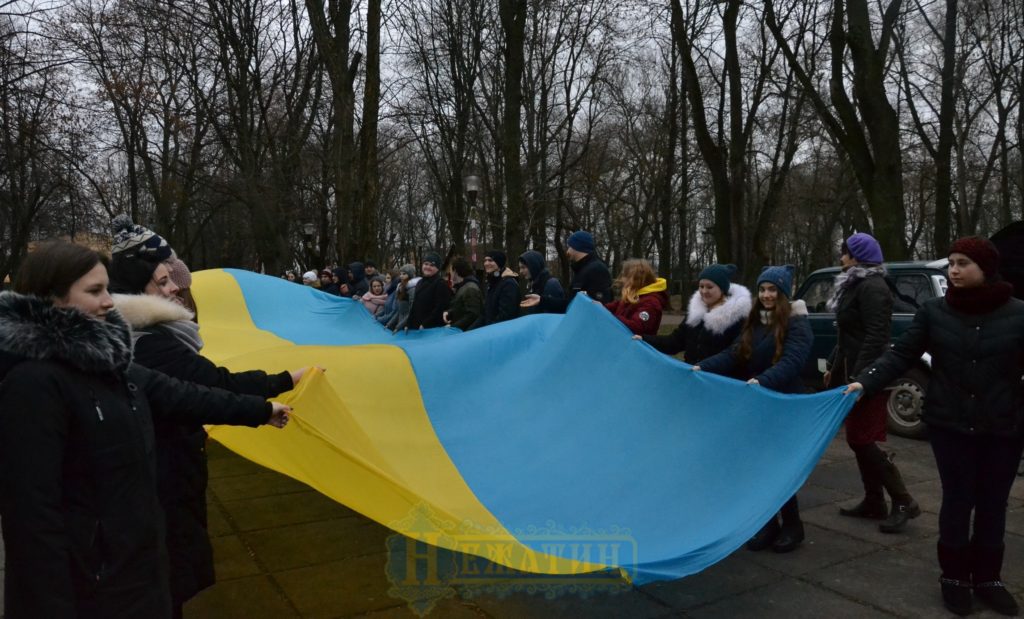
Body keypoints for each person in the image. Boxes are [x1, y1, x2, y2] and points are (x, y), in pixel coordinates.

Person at [0, 241, 291, 618]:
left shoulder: (109, 364)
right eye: (94, 291)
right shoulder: (33, 384)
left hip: (136, 574)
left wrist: (261, 410)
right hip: (93, 588)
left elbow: (183, 394)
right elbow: (33, 520)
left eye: (107, 288)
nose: (109, 301)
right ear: (49, 299)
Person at [107, 247, 309, 618]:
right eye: (163, 282)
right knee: (166, 575)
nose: (174, 290)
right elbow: (206, 385)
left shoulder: (135, 335)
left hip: (154, 470)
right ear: (138, 289)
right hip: (161, 474)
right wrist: (277, 387)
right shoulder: (150, 340)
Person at [845, 237, 1024, 616]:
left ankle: (989, 578)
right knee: (958, 502)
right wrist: (866, 381)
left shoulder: (1018, 313)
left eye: (963, 263)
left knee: (993, 505)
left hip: (1003, 428)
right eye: (952, 263)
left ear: (987, 268)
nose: (954, 270)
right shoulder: (933, 311)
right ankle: (954, 577)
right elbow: (900, 353)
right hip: (950, 426)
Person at [696, 265, 813, 553]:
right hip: (757, 402)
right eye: (762, 289)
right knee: (756, 467)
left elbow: (792, 362)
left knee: (779, 468)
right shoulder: (756, 321)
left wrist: (762, 381)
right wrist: (699, 367)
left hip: (782, 403)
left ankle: (793, 525)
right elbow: (734, 353)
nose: (766, 295)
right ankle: (767, 523)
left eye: (773, 289)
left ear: (783, 293)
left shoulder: (797, 323)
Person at [824, 233, 918, 534]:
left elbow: (876, 337)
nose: (841, 258)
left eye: (845, 253)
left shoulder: (873, 287)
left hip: (869, 376)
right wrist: (833, 367)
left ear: (857, 256)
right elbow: (848, 335)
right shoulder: (855, 284)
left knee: (862, 439)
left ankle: (903, 500)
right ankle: (874, 501)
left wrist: (860, 378)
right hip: (853, 372)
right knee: (857, 438)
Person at [638, 264, 750, 363]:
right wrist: (644, 339)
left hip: (718, 381)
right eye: (701, 286)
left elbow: (734, 355)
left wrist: (705, 367)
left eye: (710, 287)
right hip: (692, 378)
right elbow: (674, 342)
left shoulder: (736, 318)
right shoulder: (694, 315)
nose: (704, 291)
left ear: (722, 289)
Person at [521, 230, 611, 312]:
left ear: (577, 247)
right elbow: (569, 304)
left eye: (569, 247)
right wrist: (542, 300)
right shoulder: (581, 270)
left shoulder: (597, 270)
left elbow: (599, 307)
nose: (567, 251)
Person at [602, 259, 668, 336]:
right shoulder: (635, 296)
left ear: (636, 279)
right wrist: (599, 307)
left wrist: (611, 317)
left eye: (625, 276)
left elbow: (637, 327)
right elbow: (617, 305)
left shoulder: (650, 302)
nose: (622, 280)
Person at [406, 252, 451, 330]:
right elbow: (414, 305)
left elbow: (440, 308)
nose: (428, 267)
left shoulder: (440, 283)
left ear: (437, 268)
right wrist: (408, 323)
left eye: (432, 265)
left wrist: (425, 324)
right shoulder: (420, 282)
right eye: (426, 264)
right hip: (416, 326)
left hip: (430, 329)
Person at [476, 250, 520, 328]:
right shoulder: (492, 282)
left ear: (499, 262)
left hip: (500, 333)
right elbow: (485, 314)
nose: (486, 263)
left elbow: (505, 316)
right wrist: (468, 332)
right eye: (485, 260)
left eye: (490, 260)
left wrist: (487, 332)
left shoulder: (509, 284)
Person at [444, 257, 483, 331]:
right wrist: (449, 312)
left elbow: (472, 315)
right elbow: (461, 307)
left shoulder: (470, 288)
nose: (450, 274)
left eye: (450, 271)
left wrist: (453, 326)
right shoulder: (463, 287)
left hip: (467, 333)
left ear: (455, 271)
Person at [386, 264, 419, 332]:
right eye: (400, 274)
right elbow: (399, 311)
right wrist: (389, 324)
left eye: (404, 274)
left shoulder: (412, 289)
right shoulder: (401, 288)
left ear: (410, 275)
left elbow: (411, 311)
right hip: (401, 324)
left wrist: (398, 326)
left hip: (408, 326)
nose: (401, 276)